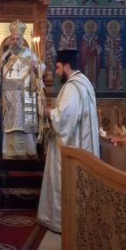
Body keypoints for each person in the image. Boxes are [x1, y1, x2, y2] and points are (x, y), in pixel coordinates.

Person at [37, 49, 100, 233]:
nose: (56, 72)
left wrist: (48, 112)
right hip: (83, 145)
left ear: (67, 66)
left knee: (65, 181)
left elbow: (64, 117)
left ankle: (62, 222)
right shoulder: (85, 82)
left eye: (58, 68)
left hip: (71, 146)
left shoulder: (72, 87)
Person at [0, 19, 42, 159]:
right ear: (10, 40)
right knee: (10, 126)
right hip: (9, 97)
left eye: (17, 39)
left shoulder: (30, 54)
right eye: (12, 39)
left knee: (25, 126)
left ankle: (28, 152)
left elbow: (42, 67)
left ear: (22, 40)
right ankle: (9, 153)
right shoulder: (5, 55)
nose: (15, 41)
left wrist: (36, 67)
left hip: (25, 95)